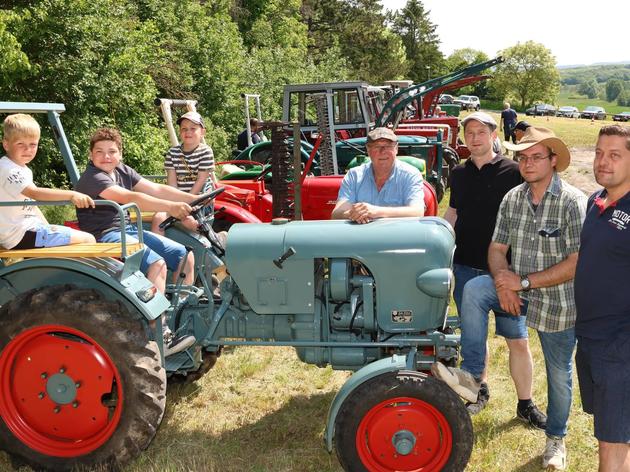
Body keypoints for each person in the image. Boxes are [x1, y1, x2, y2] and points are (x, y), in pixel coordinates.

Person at [435, 126, 587, 470]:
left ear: (553, 161)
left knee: (558, 372)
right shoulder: (514, 197)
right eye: (523, 156)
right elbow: (497, 248)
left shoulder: (572, 202)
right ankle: (473, 378)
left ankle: (556, 440)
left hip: (558, 301)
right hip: (517, 288)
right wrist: (504, 284)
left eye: (536, 156)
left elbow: (577, 262)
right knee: (474, 289)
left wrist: (522, 282)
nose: (528, 162)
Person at [75, 128, 199, 356]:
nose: (106, 156)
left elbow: (156, 188)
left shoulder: (121, 170)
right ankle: (157, 332)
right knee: (157, 264)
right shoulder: (92, 178)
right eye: (99, 152)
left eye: (112, 151)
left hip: (128, 228)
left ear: (120, 154)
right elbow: (130, 198)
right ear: (91, 156)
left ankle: (180, 315)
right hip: (105, 234)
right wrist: (170, 207)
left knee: (185, 256)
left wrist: (193, 199)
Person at [441, 111, 529, 417]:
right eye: (470, 133)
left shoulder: (514, 171)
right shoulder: (459, 173)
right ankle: (478, 387)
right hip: (465, 265)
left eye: (481, 132)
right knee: (472, 334)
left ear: (494, 135)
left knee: (516, 337)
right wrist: (439, 238)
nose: (475, 138)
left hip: (505, 271)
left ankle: (526, 402)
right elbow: (453, 212)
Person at [574, 125, 630, 472]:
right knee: (613, 435)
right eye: (598, 153)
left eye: (615, 155)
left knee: (612, 440)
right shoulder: (596, 201)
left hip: (619, 343)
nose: (602, 161)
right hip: (591, 337)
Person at [0, 113, 95, 250]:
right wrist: (71, 195)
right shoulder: (7, 169)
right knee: (88, 239)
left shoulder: (23, 169)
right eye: (20, 144)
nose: (28, 149)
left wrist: (47, 225)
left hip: (28, 231)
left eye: (33, 144)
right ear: (6, 145)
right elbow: (35, 193)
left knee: (83, 239)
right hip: (19, 234)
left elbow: (33, 206)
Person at [331, 127, 424, 223]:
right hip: (361, 235)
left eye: (388, 146)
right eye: (376, 146)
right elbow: (336, 214)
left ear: (396, 148)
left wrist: (375, 211)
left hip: (398, 235)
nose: (382, 151)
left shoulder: (410, 174)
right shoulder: (354, 176)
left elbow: (417, 212)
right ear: (368, 149)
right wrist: (355, 213)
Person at [152, 111, 217, 234]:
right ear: (180, 132)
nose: (188, 132)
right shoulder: (173, 153)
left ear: (202, 132)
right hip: (178, 200)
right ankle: (159, 250)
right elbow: (172, 184)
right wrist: (177, 205)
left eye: (193, 128)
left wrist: (185, 205)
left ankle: (211, 240)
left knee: (192, 223)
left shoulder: (205, 152)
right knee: (158, 217)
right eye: (184, 129)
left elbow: (200, 181)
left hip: (199, 201)